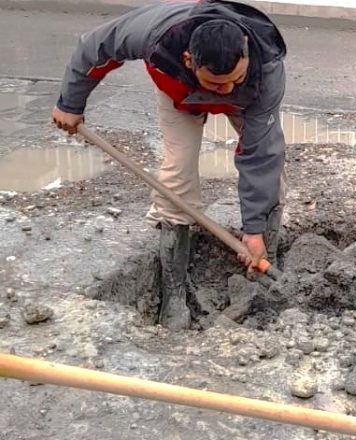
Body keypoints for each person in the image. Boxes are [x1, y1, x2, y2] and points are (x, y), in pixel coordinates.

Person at [52, 0, 288, 329]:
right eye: (217, 84)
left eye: (236, 77)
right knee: (177, 176)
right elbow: (94, 47)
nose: (226, 89)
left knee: (272, 171)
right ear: (189, 60)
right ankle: (174, 292)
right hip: (179, 97)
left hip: (247, 104)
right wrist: (70, 102)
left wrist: (253, 231)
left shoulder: (266, 69)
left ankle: (266, 259)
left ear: (247, 51)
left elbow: (260, 154)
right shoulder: (155, 34)